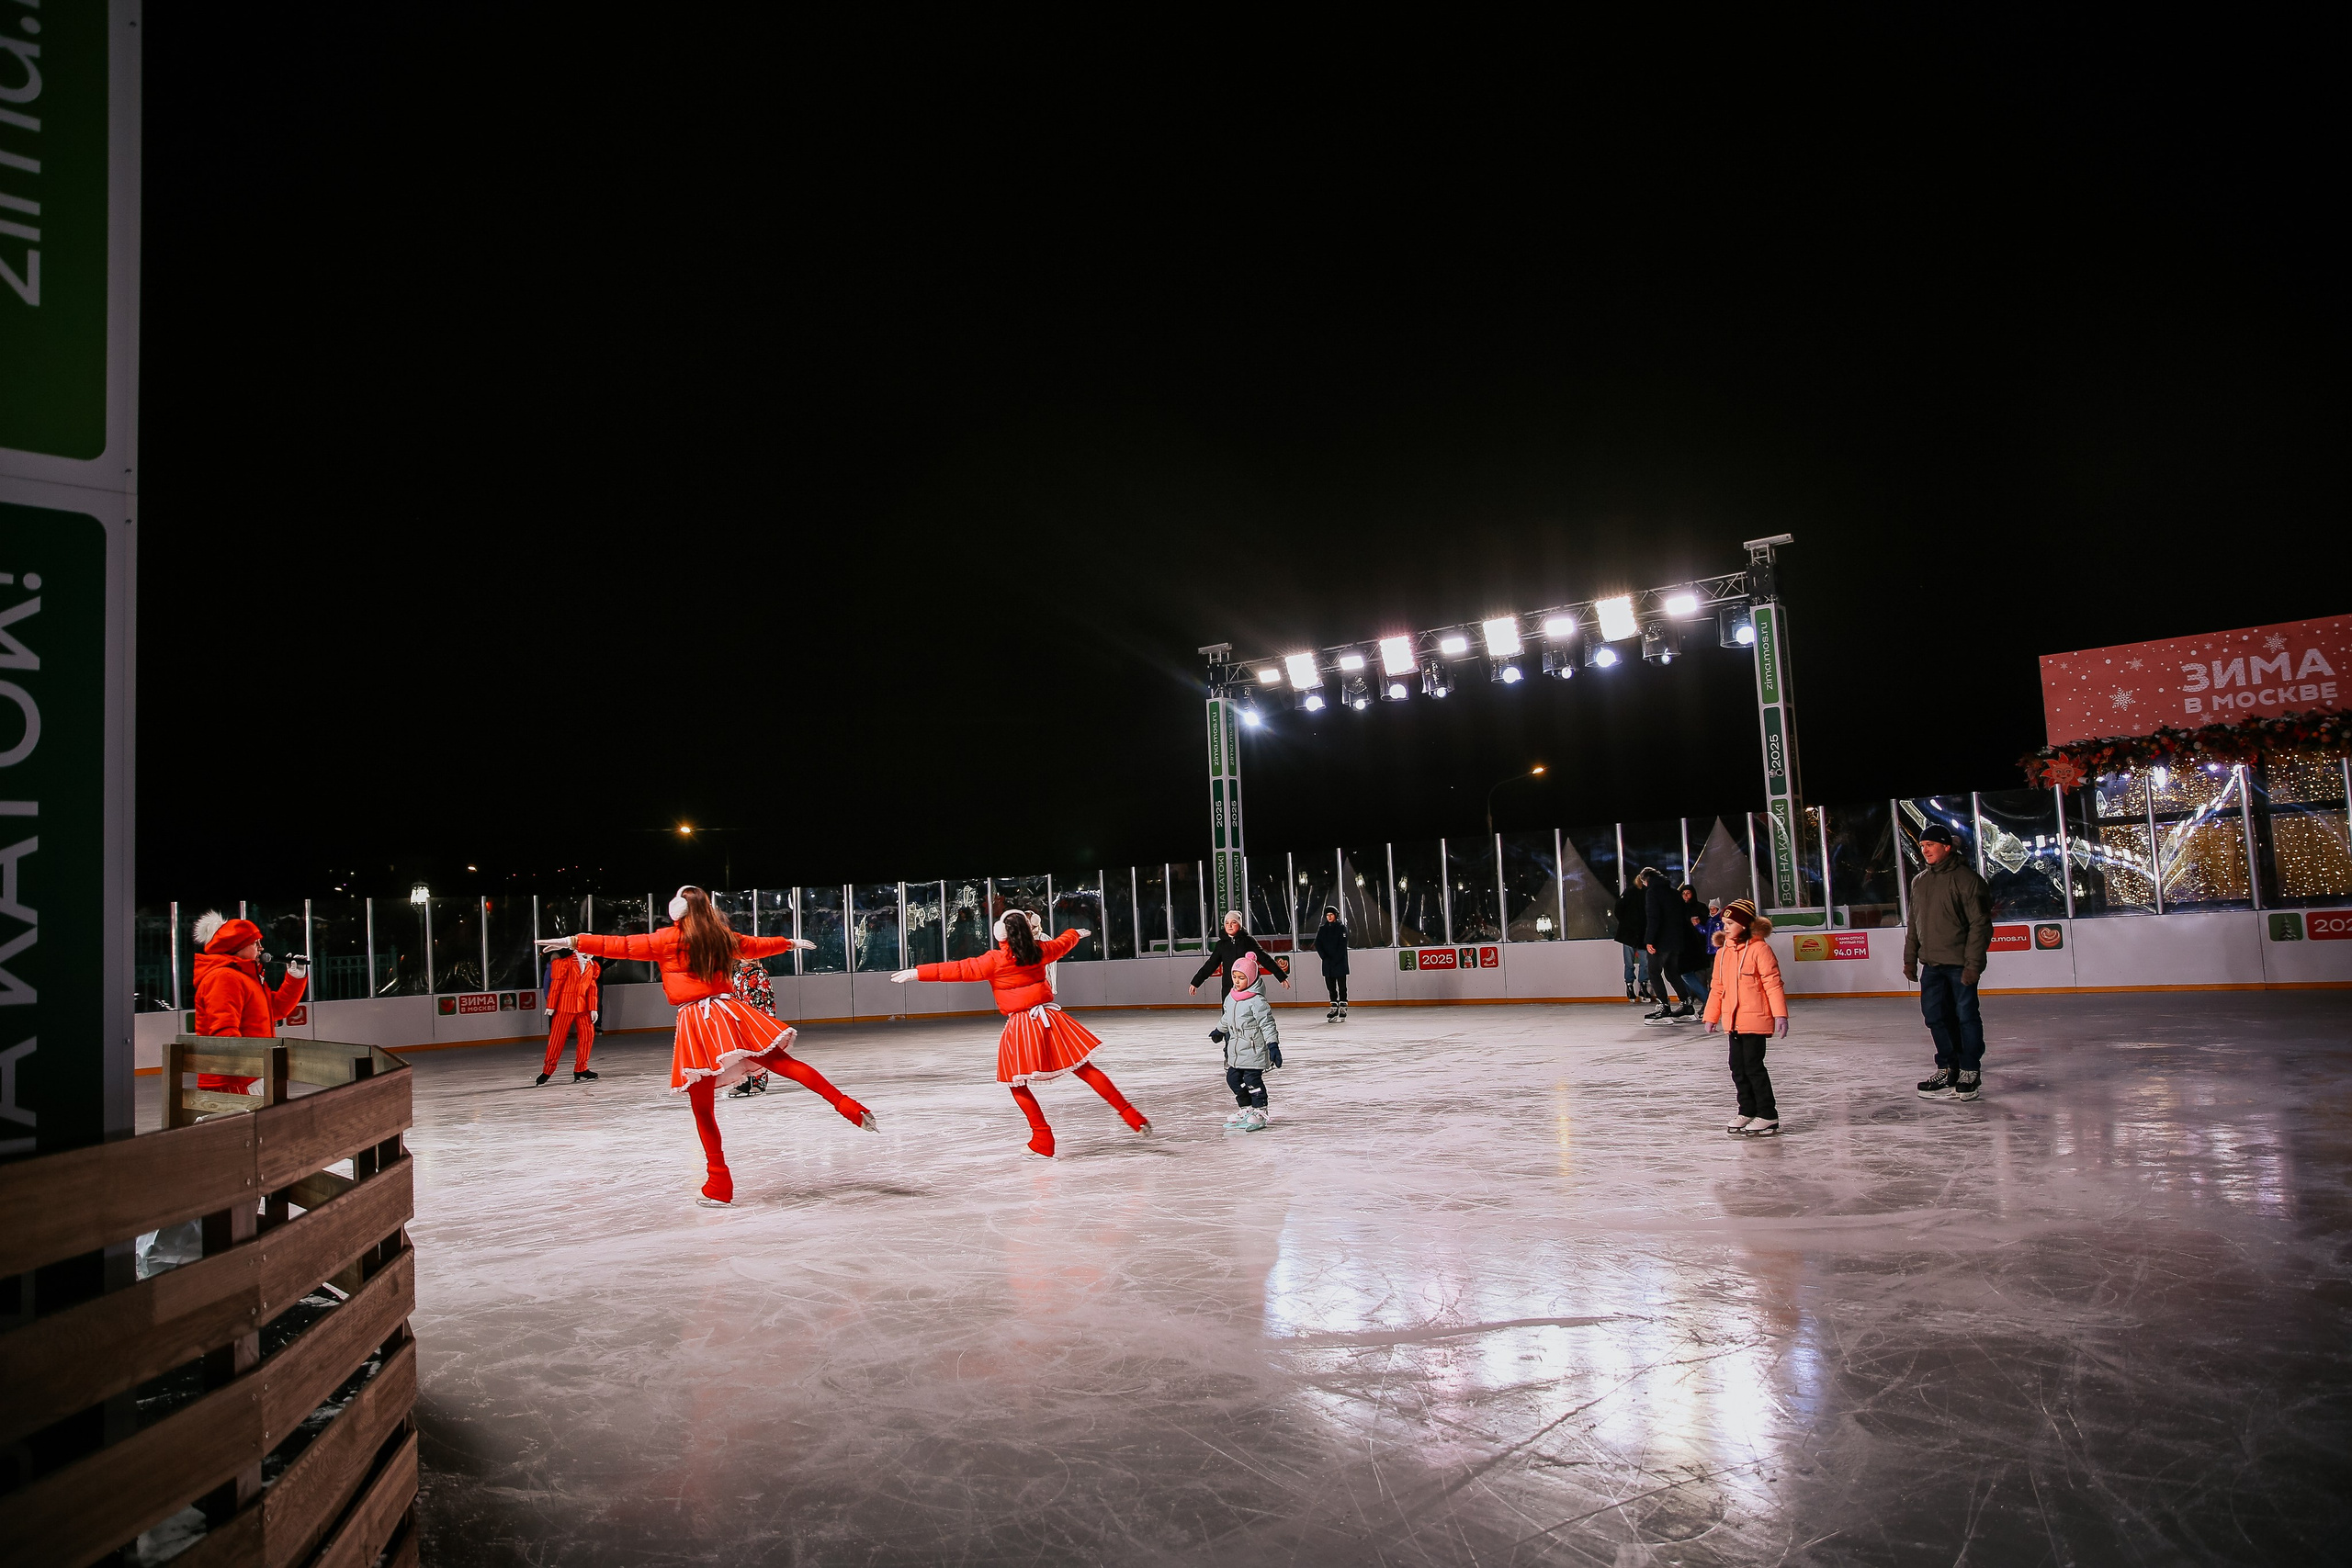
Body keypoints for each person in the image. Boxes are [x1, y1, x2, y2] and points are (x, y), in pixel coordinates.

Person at [562, 886, 878, 1207]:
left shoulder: (668, 939)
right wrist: (788, 943)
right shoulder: (721, 936)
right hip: (731, 1013)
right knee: (782, 1063)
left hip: (697, 1022)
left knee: (702, 1108)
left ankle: (719, 1181)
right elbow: (755, 946)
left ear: (677, 910)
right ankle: (849, 1106)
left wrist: (574, 941)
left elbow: (623, 946)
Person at [892, 908, 1150, 1156]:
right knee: (1085, 1068)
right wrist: (1075, 933)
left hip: (1022, 1026)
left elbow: (957, 969)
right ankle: (1131, 1115)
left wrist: (917, 972)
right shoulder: (1038, 950)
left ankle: (1042, 1138)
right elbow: (1062, 943)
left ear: (1000, 934)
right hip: (1051, 1019)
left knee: (1015, 1082)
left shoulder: (994, 960)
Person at [1905, 823, 1994, 1102]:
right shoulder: (1919, 881)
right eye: (1922, 845)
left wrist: (1972, 965)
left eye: (1930, 844)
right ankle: (1948, 1068)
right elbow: (1913, 924)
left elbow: (1980, 925)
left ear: (1946, 847)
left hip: (1959, 965)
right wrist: (1910, 959)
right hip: (1931, 966)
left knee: (1965, 1016)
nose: (1925, 849)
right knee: (1935, 1017)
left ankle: (1970, 1069)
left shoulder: (1967, 880)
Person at [190, 911, 309, 1094]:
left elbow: (275, 1009)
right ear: (236, 946)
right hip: (236, 1080)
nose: (261, 948)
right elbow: (224, 1032)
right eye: (255, 943)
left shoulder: (246, 978)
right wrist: (248, 1072)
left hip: (251, 1074)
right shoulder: (224, 977)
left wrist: (295, 979)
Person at [1703, 898, 1787, 1134]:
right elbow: (1717, 987)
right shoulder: (1723, 953)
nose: (1725, 927)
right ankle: (1747, 1110)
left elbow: (1773, 984)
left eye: (1730, 922)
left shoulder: (1760, 949)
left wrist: (1780, 1014)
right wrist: (1711, 1016)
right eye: (1724, 922)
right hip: (1733, 1021)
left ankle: (1767, 1114)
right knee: (1737, 1067)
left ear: (1744, 924)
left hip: (1755, 1019)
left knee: (1753, 1066)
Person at [1208, 951, 1280, 1130]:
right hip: (1236, 1050)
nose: (1237, 981)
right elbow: (1227, 1018)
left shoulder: (1257, 1001)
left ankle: (1260, 1110)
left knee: (1252, 1080)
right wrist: (1219, 1030)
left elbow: (1267, 1024)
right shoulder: (1231, 997)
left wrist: (1273, 1045)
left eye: (1241, 977)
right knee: (1233, 1078)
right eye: (1234, 977)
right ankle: (1246, 1108)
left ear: (1252, 978)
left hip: (1254, 1050)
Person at [1190, 910, 1291, 1000]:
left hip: (1248, 987)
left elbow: (1265, 959)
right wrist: (1196, 982)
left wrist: (1281, 976)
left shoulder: (1248, 941)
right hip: (1228, 987)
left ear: (1239, 925)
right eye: (1227, 923)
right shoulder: (1221, 945)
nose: (1229, 926)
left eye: (1233, 922)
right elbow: (1210, 965)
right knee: (1229, 1017)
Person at [537, 942, 601, 1086]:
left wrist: (593, 1008)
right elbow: (556, 985)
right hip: (565, 1006)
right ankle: (548, 1069)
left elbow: (592, 988)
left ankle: (581, 1068)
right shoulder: (564, 964)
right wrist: (551, 1005)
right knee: (557, 1039)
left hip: (583, 1007)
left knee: (587, 1036)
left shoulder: (592, 966)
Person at [1639, 868, 1695, 1023]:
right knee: (1672, 972)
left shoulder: (1652, 892)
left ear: (1646, 880)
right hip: (1676, 941)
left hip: (1660, 941)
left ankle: (1664, 1006)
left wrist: (1650, 940)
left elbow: (1653, 917)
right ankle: (1687, 1004)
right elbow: (1684, 916)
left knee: (1654, 972)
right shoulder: (1674, 892)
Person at [727, 951, 775, 1098]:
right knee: (742, 1052)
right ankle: (743, 1082)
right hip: (741, 1019)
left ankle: (759, 1082)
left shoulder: (760, 973)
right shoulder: (736, 975)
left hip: (758, 1018)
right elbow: (733, 997)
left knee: (758, 1051)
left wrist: (770, 1019)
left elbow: (768, 996)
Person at [1675, 883, 1713, 1016]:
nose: (1685, 896)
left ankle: (1706, 1003)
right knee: (1686, 976)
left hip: (1699, 947)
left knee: (1699, 976)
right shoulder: (1678, 908)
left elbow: (1707, 926)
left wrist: (1698, 923)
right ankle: (1693, 1003)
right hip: (1685, 947)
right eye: (1683, 894)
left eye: (1688, 893)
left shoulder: (1700, 907)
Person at [1613, 878, 1649, 1003]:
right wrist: (1626, 923)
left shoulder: (1647, 893)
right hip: (1630, 934)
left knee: (1644, 962)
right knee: (1630, 963)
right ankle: (1630, 986)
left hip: (1641, 934)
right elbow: (1618, 909)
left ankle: (1642, 986)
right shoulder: (1630, 892)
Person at [1312, 905, 1350, 1021]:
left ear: (1336, 915)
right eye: (1327, 915)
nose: (1329, 917)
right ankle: (1334, 1006)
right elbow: (1318, 943)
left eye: (1331, 914)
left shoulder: (1341, 927)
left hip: (1339, 962)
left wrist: (1335, 959)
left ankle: (1343, 1006)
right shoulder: (1322, 929)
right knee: (1331, 987)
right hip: (1327, 963)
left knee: (1342, 986)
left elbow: (1342, 945)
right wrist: (1324, 957)